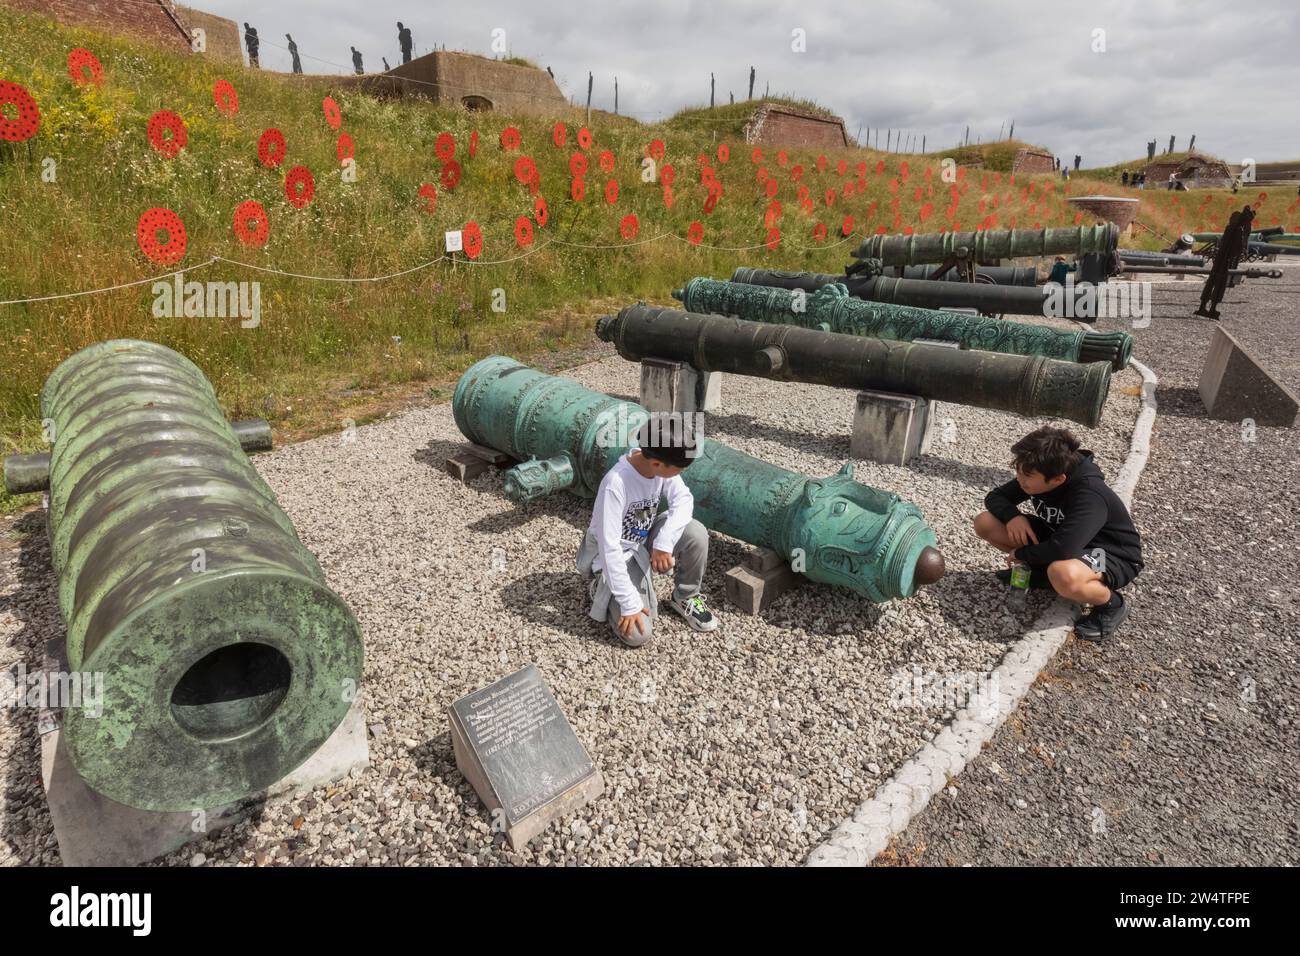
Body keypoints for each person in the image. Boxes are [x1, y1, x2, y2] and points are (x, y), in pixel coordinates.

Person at [974, 427, 1143, 642]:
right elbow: (995, 497)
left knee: (1064, 574)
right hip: (1064, 539)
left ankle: (1111, 604)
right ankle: (1043, 575)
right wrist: (1013, 517)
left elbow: (1063, 549)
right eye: (1018, 471)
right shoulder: (1039, 472)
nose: (1019, 479)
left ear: (1058, 480)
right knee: (986, 522)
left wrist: (1024, 554)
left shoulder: (1090, 493)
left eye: (1026, 475)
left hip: (1109, 554)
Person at [576, 415, 717, 647]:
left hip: (644, 536)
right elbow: (609, 547)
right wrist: (629, 604)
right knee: (639, 635)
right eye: (678, 470)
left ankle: (686, 596)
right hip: (617, 554)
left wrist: (664, 542)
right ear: (657, 464)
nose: (679, 474)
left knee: (695, 532)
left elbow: (684, 500)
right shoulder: (616, 484)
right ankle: (600, 587)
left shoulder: (656, 463)